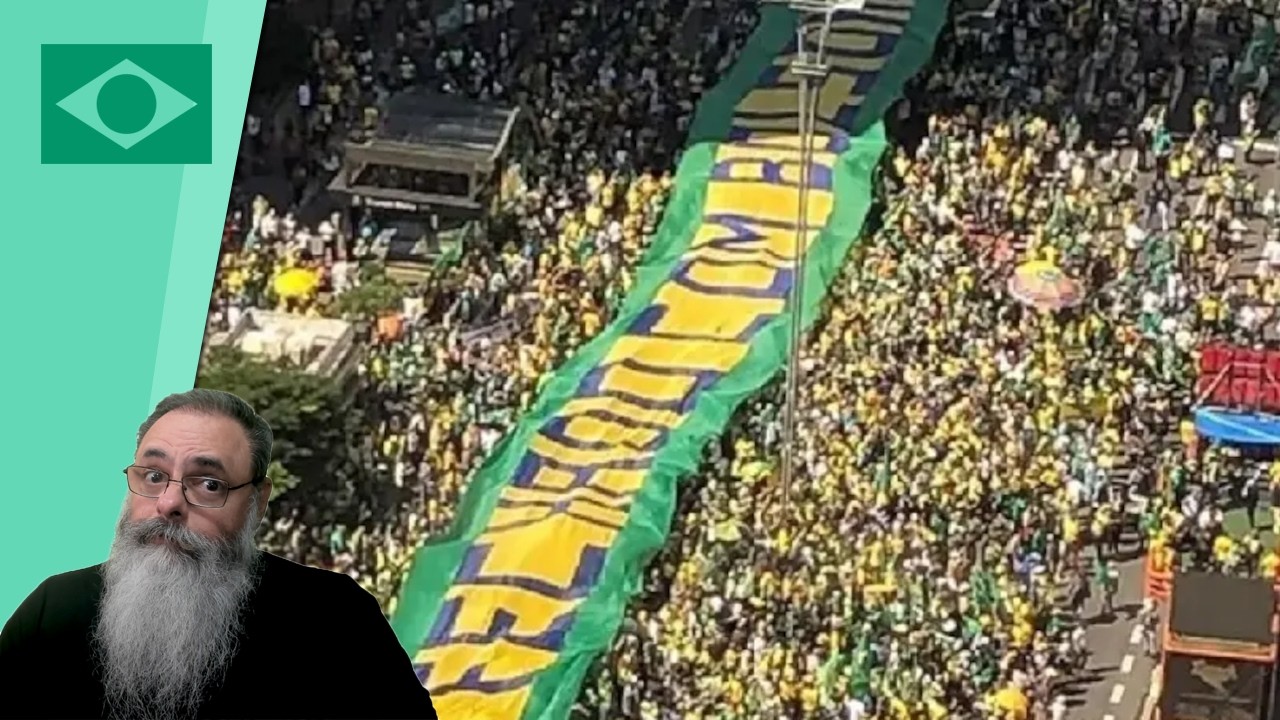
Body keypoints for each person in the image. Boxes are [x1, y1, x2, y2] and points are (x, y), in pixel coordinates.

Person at [0, 389, 437, 720]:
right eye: (153, 475)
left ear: (257, 502)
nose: (169, 503)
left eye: (208, 484)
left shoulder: (335, 619)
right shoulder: (53, 612)